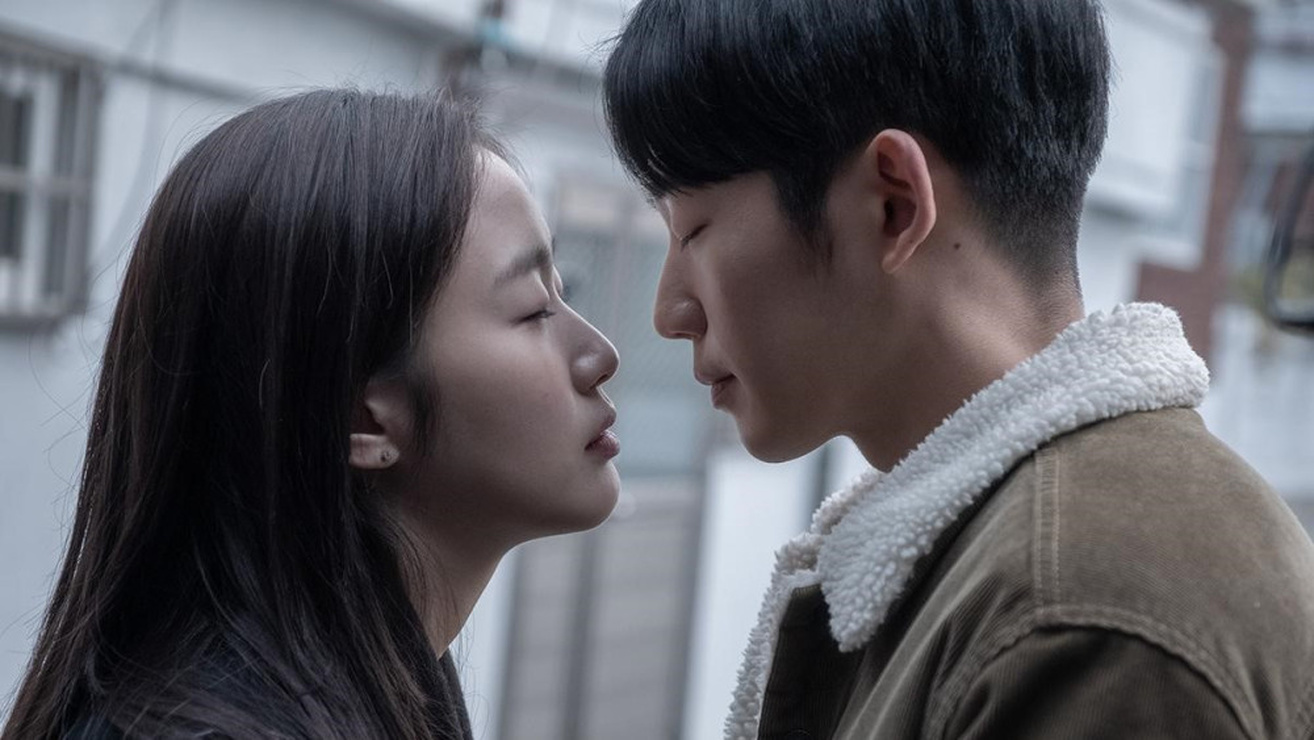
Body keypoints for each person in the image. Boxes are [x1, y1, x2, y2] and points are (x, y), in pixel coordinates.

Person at [603, 1, 1314, 738]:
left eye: (693, 231)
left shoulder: (1078, 615)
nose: (669, 312)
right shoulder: (1041, 562)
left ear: (893, 204)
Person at [2, 89, 620, 739]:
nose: (601, 355)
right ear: (364, 418)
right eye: (532, 310)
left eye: (563, 292)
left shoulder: (369, 686)